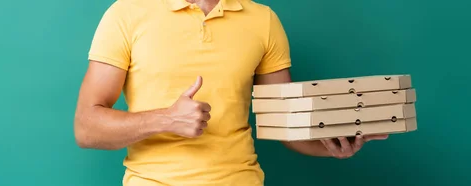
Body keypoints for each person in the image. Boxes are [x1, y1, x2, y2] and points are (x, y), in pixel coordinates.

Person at [74, 0, 389, 185]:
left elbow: (285, 127)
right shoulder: (126, 13)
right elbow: (86, 128)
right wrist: (165, 119)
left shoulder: (262, 20)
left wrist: (332, 144)